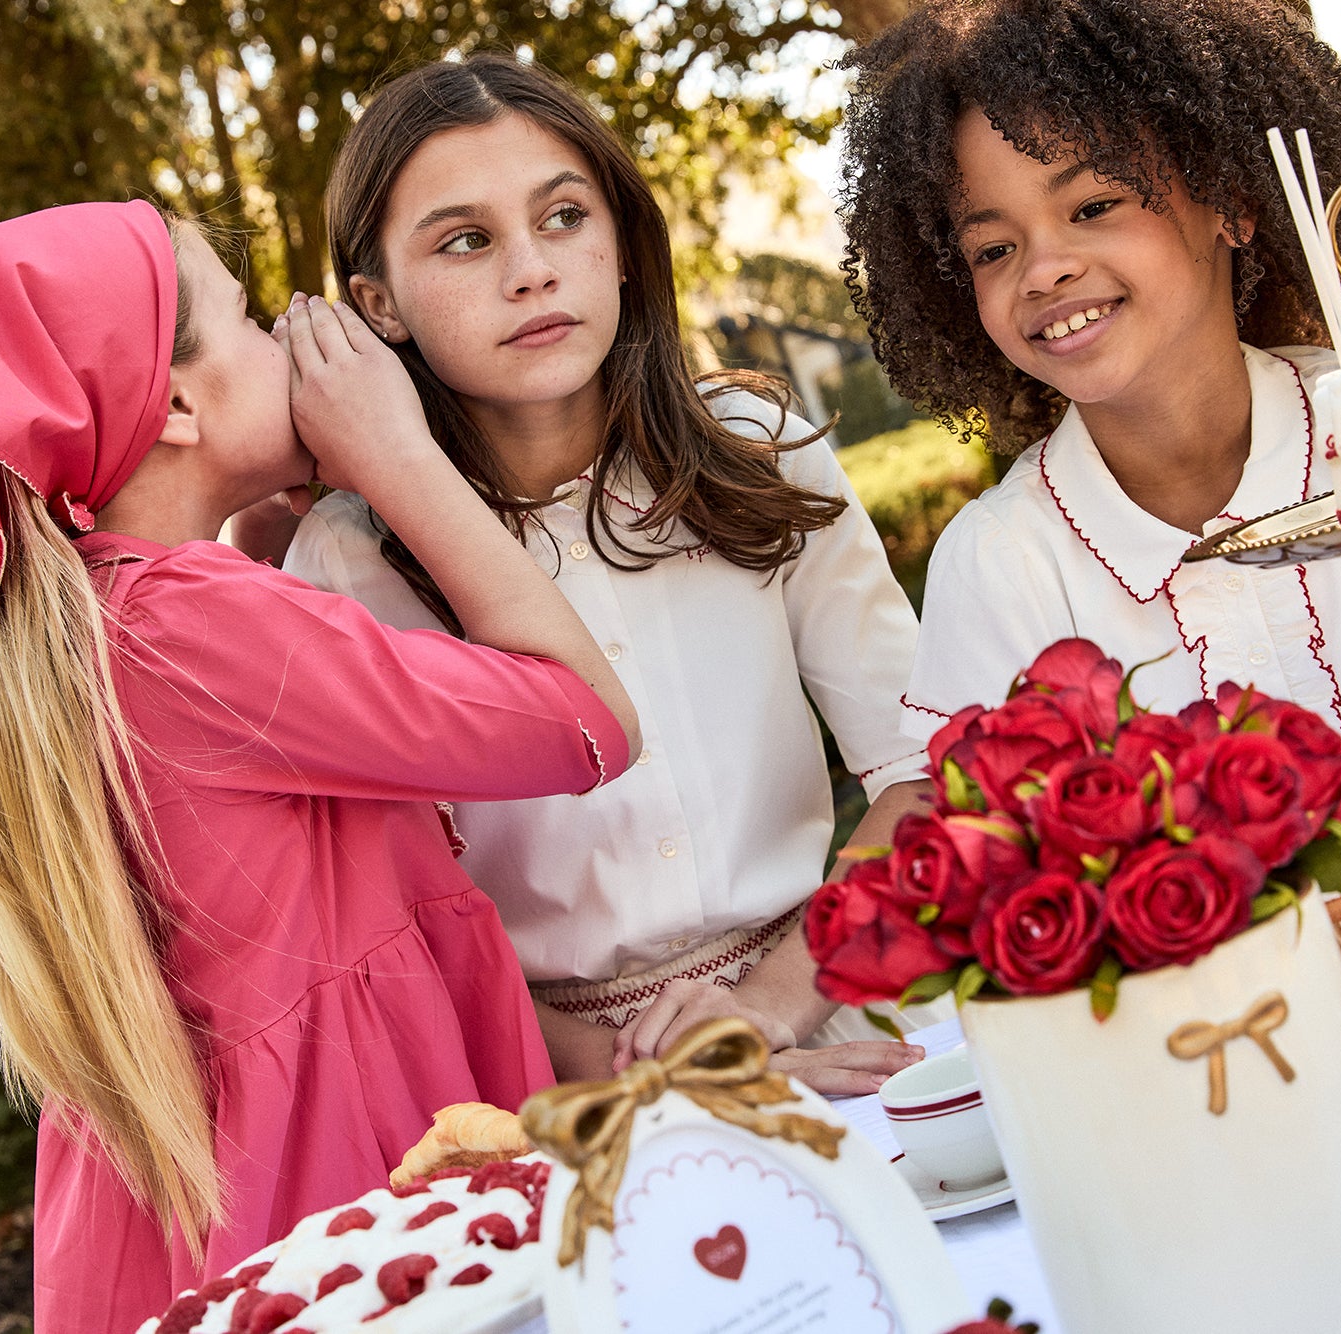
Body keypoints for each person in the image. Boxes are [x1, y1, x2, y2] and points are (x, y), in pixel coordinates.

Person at [0, 200, 641, 1333]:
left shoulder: (105, 627)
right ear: (176, 401)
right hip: (348, 1197)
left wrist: (281, 533)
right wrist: (401, 460)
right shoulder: (188, 624)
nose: (288, 336)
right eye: (246, 319)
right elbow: (582, 718)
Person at [271, 54, 930, 1092]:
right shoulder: (344, 568)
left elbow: (921, 774)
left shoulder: (758, 450)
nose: (530, 268)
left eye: (564, 216)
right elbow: (388, 921)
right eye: (465, 239)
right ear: (377, 303)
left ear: (621, 246)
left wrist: (764, 1013)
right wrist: (643, 1079)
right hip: (555, 1090)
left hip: (824, 1017)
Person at [837, 0, 1341, 761]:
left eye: (1095, 204)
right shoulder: (1001, 560)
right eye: (993, 250)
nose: (1045, 270)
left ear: (1231, 203)